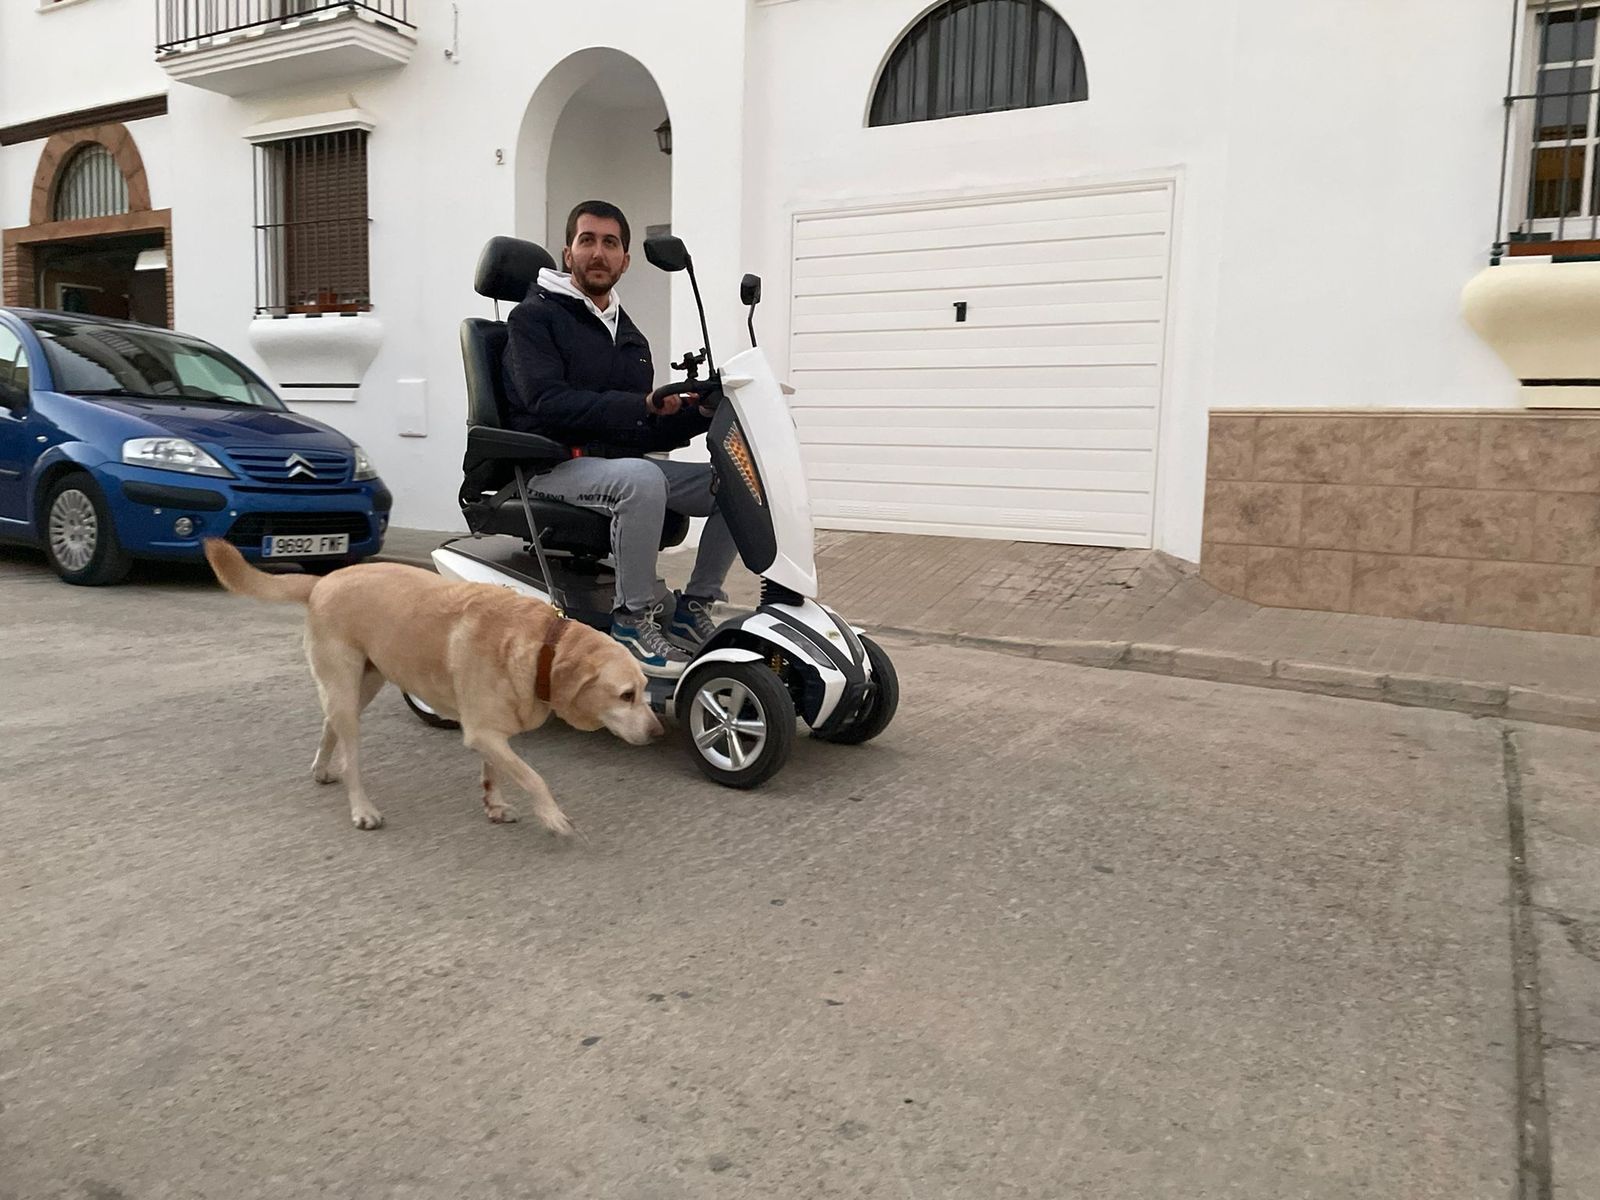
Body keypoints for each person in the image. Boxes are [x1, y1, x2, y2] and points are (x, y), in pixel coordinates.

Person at [502, 199, 739, 675]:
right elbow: (548, 402)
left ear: (625, 261)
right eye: (586, 240)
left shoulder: (628, 335)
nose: (598, 252)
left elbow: (638, 426)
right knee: (642, 479)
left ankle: (693, 607)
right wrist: (639, 405)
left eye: (610, 243)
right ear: (567, 253)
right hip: (549, 465)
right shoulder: (533, 319)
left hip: (615, 467)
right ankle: (632, 621)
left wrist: (698, 411)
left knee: (737, 482)